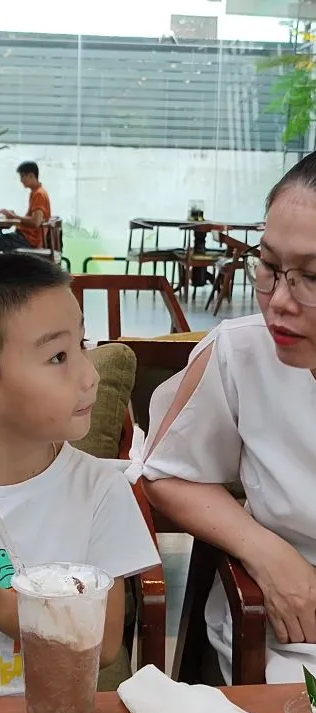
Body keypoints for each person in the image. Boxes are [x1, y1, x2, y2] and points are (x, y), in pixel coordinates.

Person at [0, 253, 159, 699]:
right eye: (58, 356)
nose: (89, 375)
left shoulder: (99, 491)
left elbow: (103, 646)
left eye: (83, 344)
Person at [130, 150, 316, 684]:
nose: (278, 300)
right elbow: (167, 473)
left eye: (312, 276)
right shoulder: (242, 353)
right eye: (269, 267)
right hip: (292, 633)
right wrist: (266, 552)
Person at [0, 161, 51, 254]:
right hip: (25, 238)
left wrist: (14, 217)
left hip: (29, 241)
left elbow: (36, 222)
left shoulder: (39, 194)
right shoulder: (36, 193)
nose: (21, 180)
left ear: (31, 175)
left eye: (22, 176)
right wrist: (14, 215)